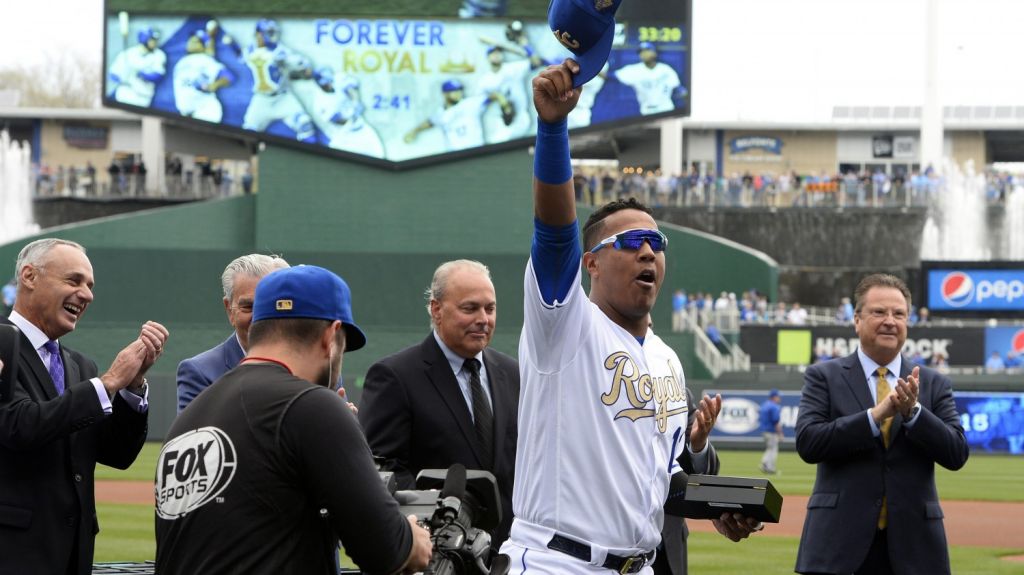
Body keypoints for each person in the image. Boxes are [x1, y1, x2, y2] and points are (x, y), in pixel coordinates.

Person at [496, 20, 761, 570]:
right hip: (556, 561)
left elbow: (659, 475)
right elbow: (554, 234)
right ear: (591, 262)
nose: (647, 251)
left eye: (656, 243)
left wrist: (721, 508)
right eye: (630, 242)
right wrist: (553, 130)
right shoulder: (564, 326)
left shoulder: (666, 360)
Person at [155, 265, 431, 574]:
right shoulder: (314, 406)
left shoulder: (187, 420)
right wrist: (414, 539)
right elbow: (386, 550)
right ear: (330, 336)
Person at [0, 238, 168, 574]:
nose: (87, 295)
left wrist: (133, 386)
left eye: (90, 286)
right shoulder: (3, 344)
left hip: (74, 555)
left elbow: (116, 454)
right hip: (14, 554)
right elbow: (18, 425)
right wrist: (108, 383)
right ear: (29, 276)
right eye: (74, 280)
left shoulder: (80, 366)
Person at [795, 273, 969, 575]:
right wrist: (875, 416)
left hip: (916, 550)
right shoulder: (823, 376)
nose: (890, 321)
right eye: (879, 312)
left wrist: (914, 413)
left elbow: (956, 453)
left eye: (899, 314)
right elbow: (809, 443)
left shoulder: (933, 383)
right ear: (857, 320)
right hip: (838, 546)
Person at [359, 259, 520, 551]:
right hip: (436, 553)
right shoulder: (395, 377)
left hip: (508, 553)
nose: (483, 319)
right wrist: (438, 524)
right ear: (436, 310)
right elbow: (383, 471)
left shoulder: (513, 374)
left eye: (490, 308)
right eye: (470, 308)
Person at [176, 253, 289, 412]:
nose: (259, 318)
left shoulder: (313, 367)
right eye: (248, 307)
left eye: (269, 306)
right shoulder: (201, 373)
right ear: (229, 309)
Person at [242, 18, 316, 142]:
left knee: (305, 126)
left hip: (283, 98)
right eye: (269, 32)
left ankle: (311, 154)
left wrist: (295, 66)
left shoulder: (281, 51)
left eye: (273, 32)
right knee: (247, 134)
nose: (272, 36)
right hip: (261, 100)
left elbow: (306, 67)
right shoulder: (248, 51)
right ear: (259, 34)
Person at [403, 79, 514, 152]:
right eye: (454, 91)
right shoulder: (440, 113)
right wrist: (414, 131)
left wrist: (505, 106)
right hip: (454, 156)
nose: (458, 93)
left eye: (459, 90)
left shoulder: (470, 104)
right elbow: (430, 122)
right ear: (445, 94)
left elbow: (494, 95)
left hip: (476, 152)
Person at [173, 29, 233, 123]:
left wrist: (215, 84)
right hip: (186, 114)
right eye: (191, 40)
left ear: (203, 46)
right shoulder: (181, 62)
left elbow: (228, 76)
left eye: (196, 41)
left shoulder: (206, 60)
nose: (191, 42)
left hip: (205, 111)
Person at [611, 42, 684, 116]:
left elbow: (678, 87)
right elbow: (612, 76)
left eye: (647, 50)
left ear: (655, 53)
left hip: (666, 109)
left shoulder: (666, 69)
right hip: (647, 112)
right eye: (641, 52)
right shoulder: (634, 70)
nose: (644, 54)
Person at [109, 26, 167, 107]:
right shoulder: (127, 54)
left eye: (155, 40)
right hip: (126, 93)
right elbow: (112, 74)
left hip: (143, 97)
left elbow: (158, 76)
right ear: (144, 39)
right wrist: (121, 77)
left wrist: (141, 74)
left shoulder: (159, 55)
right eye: (152, 40)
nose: (155, 42)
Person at [759, 389, 782, 474]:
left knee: (770, 448)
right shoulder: (774, 406)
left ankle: (765, 463)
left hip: (764, 431)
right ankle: (769, 467)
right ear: (774, 397)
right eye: (778, 396)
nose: (779, 398)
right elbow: (775, 421)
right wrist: (780, 433)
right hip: (771, 431)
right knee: (773, 449)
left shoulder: (764, 405)